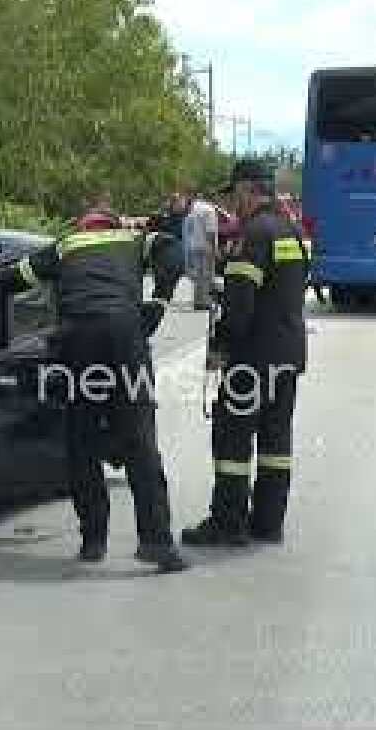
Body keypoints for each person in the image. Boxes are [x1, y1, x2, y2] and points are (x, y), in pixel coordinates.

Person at [2, 201, 189, 573]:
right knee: (140, 441)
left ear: (82, 225)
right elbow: (174, 252)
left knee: (82, 441)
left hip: (80, 339)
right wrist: (159, 299)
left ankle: (93, 541)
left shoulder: (65, 246)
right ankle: (157, 543)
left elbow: (13, 278)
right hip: (125, 338)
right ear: (113, 224)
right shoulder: (137, 239)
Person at [182, 158, 308, 547]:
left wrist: (219, 347)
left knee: (233, 440)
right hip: (288, 354)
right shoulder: (290, 229)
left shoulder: (252, 235)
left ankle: (228, 523)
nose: (233, 203)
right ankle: (268, 524)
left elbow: (239, 306)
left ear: (247, 189)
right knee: (276, 442)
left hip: (252, 359)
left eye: (234, 194)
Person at [149, 192, 189, 303]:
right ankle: (159, 297)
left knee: (172, 276)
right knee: (161, 276)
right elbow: (151, 228)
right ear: (172, 203)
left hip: (176, 250)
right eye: (179, 202)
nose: (181, 205)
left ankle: (163, 297)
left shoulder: (185, 218)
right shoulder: (161, 216)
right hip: (162, 249)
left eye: (183, 203)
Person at [182, 195, 219, 311]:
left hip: (195, 245)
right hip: (206, 245)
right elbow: (211, 231)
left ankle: (198, 300)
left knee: (199, 275)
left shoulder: (193, 209)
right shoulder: (209, 210)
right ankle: (205, 301)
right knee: (207, 274)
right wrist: (214, 247)